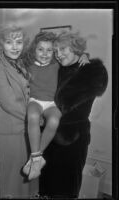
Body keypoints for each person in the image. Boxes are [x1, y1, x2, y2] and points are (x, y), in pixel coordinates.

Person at [39, 31, 108, 199]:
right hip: (49, 138)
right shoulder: (58, 69)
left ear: (76, 49)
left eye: (63, 49)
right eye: (56, 51)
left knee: (66, 187)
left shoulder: (92, 71)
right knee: (47, 184)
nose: (58, 54)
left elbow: (63, 103)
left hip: (71, 140)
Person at [22, 31, 90, 181]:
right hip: (35, 101)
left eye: (50, 50)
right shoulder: (28, 66)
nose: (45, 54)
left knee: (54, 121)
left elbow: (75, 55)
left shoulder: (57, 64)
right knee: (32, 116)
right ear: (34, 50)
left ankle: (37, 157)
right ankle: (36, 156)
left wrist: (85, 55)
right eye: (40, 49)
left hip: (51, 103)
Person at [0, 24, 38, 199]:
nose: (15, 46)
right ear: (1, 45)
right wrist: (37, 120)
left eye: (19, 41)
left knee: (28, 173)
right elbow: (10, 103)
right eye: (9, 42)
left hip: (28, 129)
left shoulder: (20, 65)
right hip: (11, 130)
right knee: (13, 177)